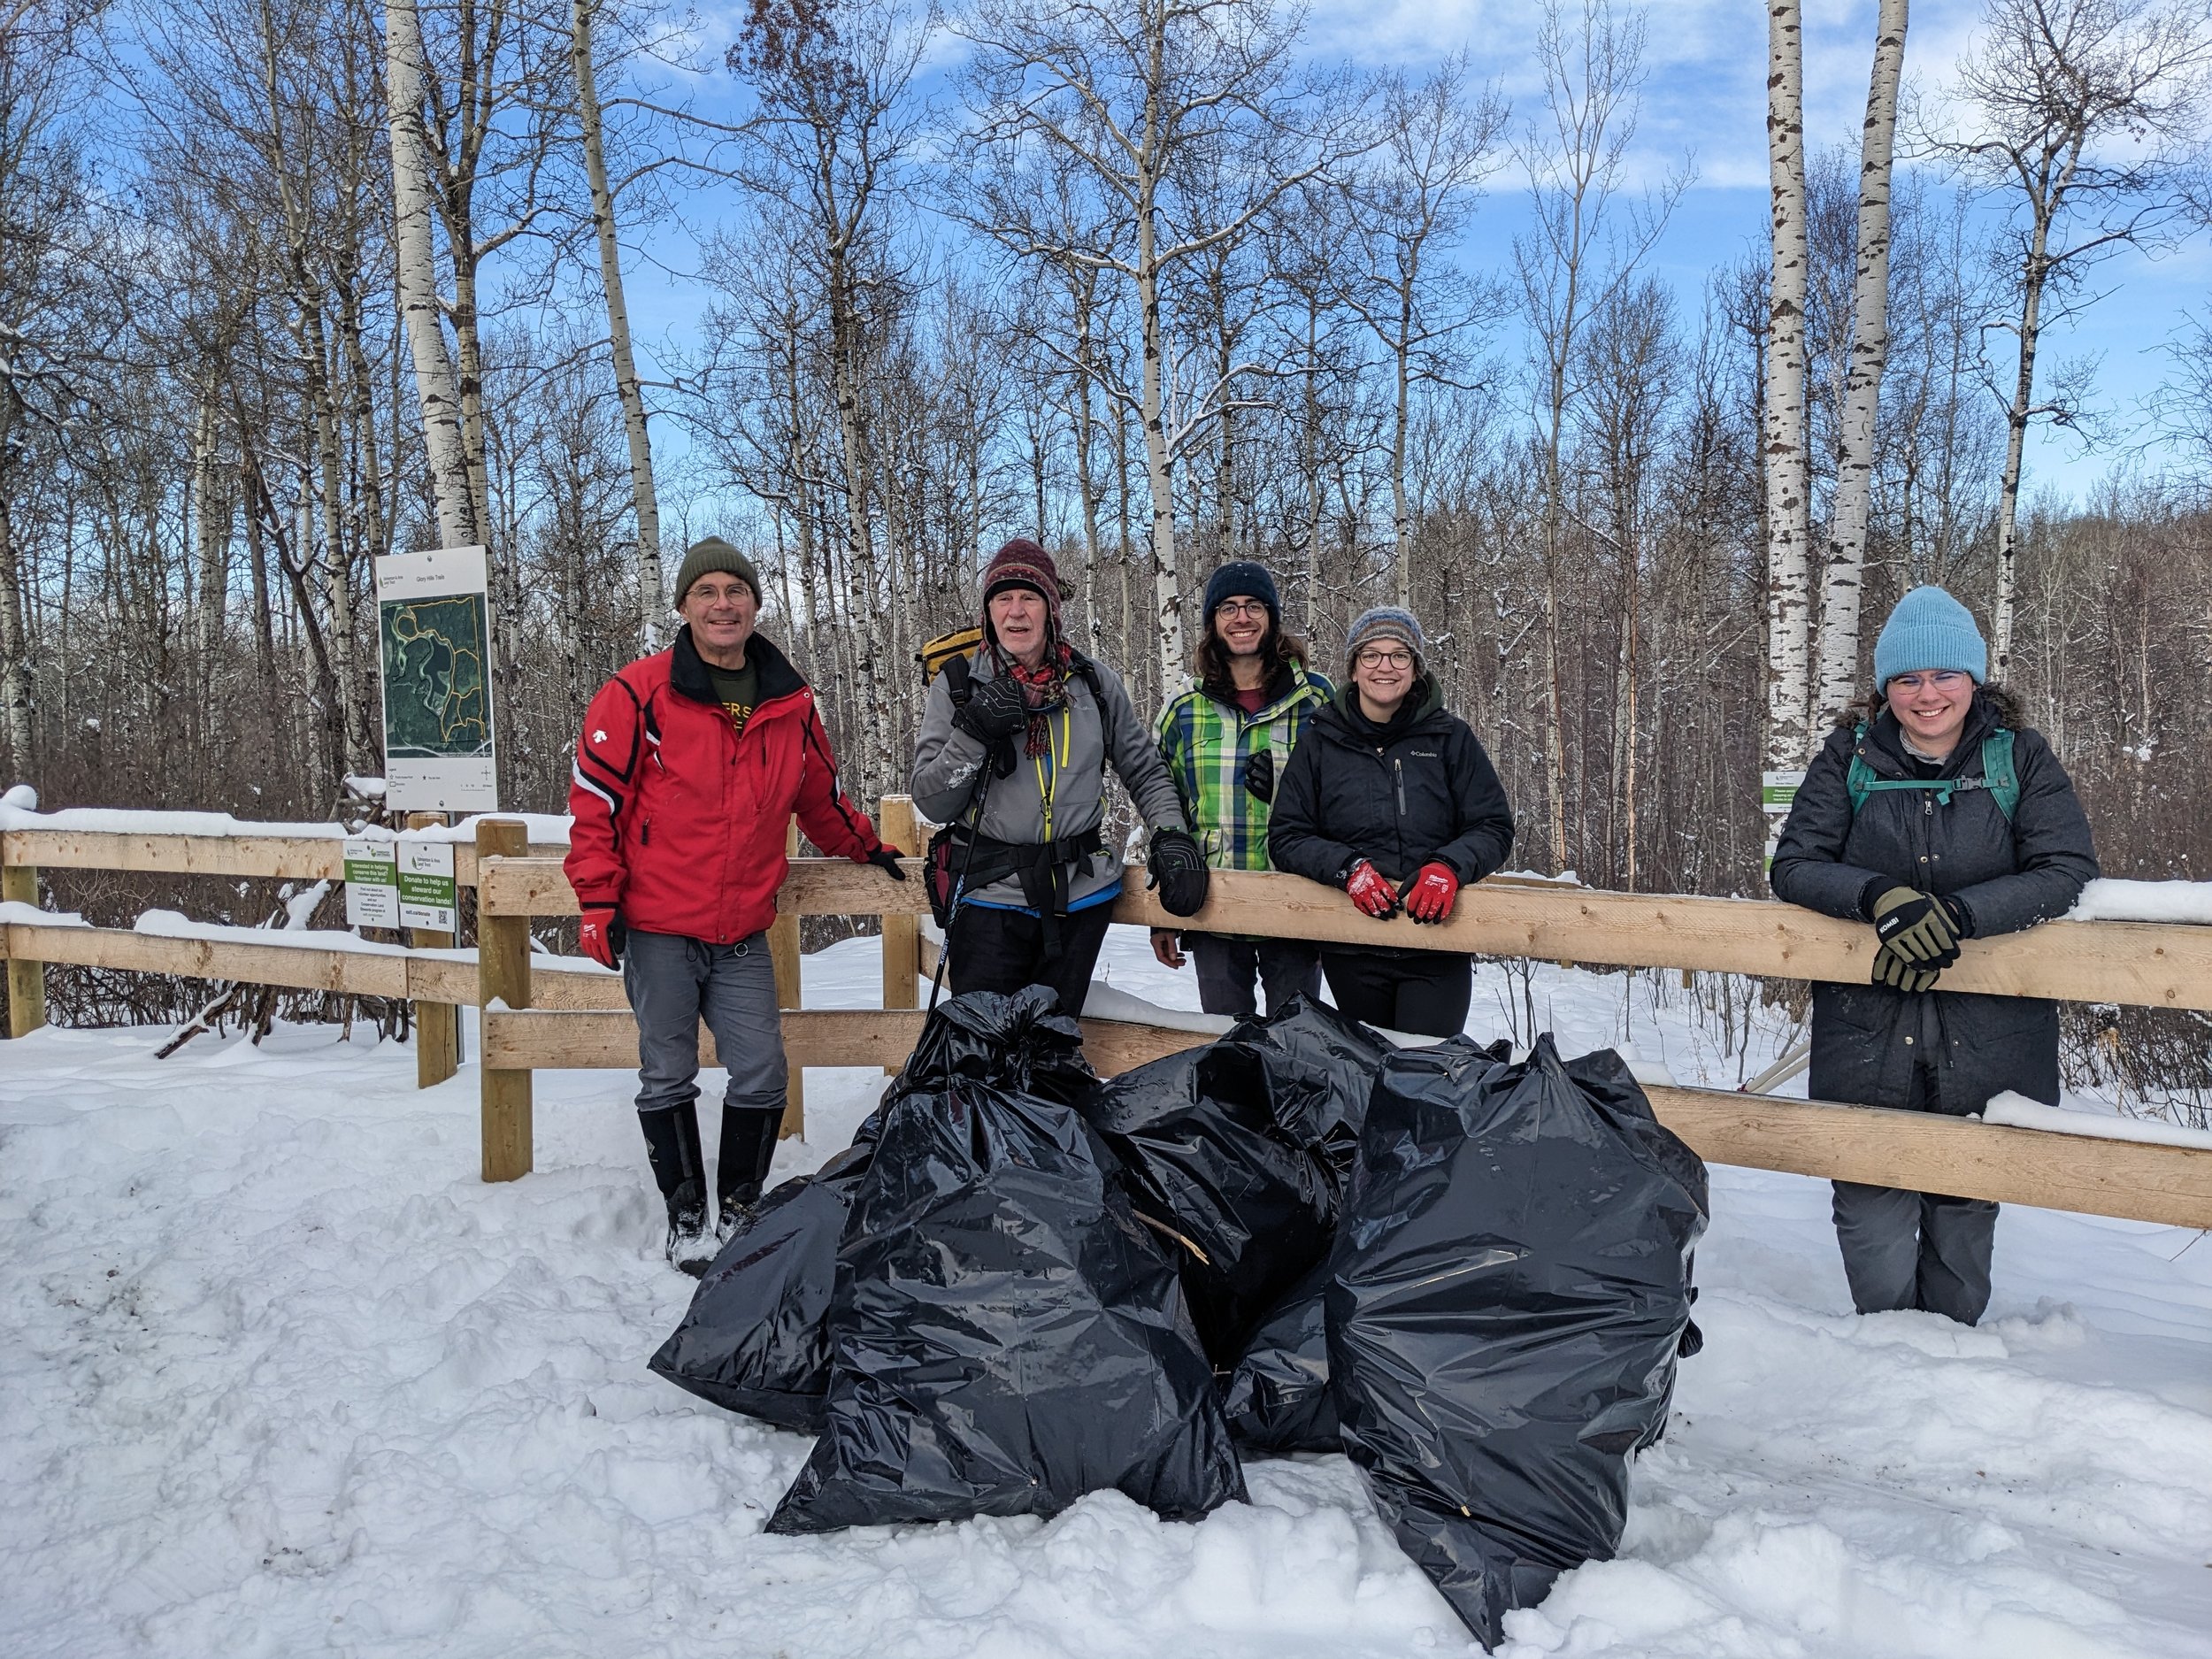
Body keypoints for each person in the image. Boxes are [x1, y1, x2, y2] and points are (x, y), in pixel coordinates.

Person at [565, 536, 907, 1272]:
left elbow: (819, 794)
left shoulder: (787, 700)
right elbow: (594, 804)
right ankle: (688, 1216)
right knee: (668, 1071)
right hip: (657, 924)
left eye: (736, 591)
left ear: (755, 603)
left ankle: (742, 1206)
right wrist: (598, 901)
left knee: (761, 1070)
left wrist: (868, 848)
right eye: (707, 592)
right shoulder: (636, 694)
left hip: (742, 928)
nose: (723, 604)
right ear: (684, 606)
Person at [1770, 585, 2097, 1325]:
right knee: (1869, 1214)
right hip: (1867, 1029)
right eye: (1909, 679)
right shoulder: (1848, 757)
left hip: (1986, 1032)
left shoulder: (2020, 758)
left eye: (1945, 675)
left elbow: (2067, 869)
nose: (1928, 695)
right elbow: (1794, 864)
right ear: (1885, 688)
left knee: (1963, 1210)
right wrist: (1879, 898)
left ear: (1974, 680)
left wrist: (1959, 914)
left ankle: (1953, 1366)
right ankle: (1885, 1361)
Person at [912, 538, 1209, 1016]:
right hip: (989, 899)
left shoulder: (1092, 683)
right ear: (988, 611)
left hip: (1079, 898)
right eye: (1002, 598)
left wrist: (1171, 835)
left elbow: (1145, 769)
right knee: (982, 1054)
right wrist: (973, 732)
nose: (1016, 612)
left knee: (1054, 1048)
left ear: (1050, 609)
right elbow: (933, 802)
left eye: (1029, 598)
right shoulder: (959, 685)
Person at [1268, 605, 1514, 1038]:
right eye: (1371, 655)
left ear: (1416, 668)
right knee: (1371, 1071)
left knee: (1426, 1073)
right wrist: (1348, 869)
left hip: (1437, 943)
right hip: (1354, 944)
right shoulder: (1321, 742)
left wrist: (1448, 867)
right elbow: (1288, 835)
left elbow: (1492, 826)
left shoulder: (1450, 739)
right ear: (1354, 667)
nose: (1385, 667)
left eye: (1400, 655)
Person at [1151, 560, 1333, 1017]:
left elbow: (1349, 797)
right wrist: (1162, 909)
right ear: (1213, 622)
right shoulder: (1184, 709)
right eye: (1228, 608)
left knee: (1299, 1044)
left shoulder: (1316, 700)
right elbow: (1161, 806)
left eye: (1254, 606)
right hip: (1213, 900)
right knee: (1226, 1047)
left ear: (1271, 618)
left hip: (1297, 900)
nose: (1242, 618)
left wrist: (1292, 793)